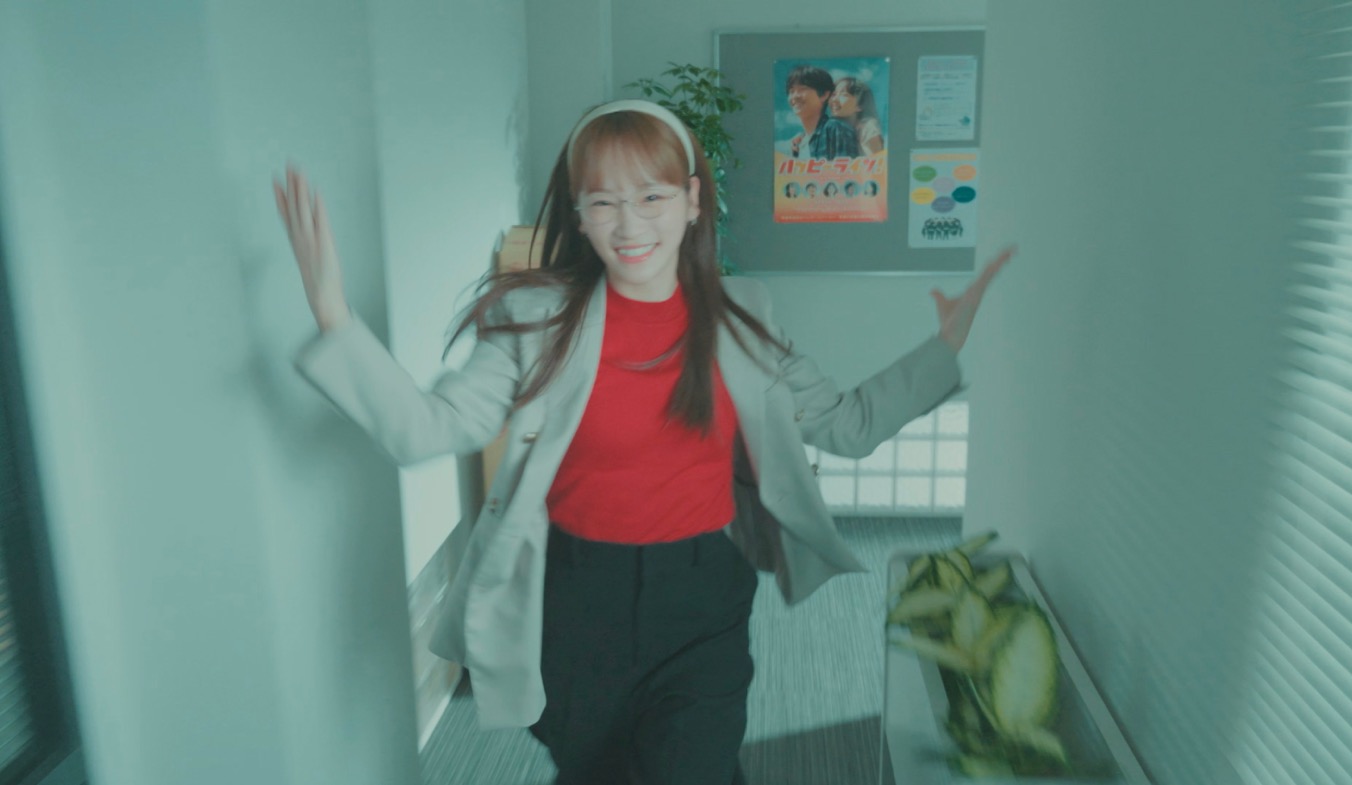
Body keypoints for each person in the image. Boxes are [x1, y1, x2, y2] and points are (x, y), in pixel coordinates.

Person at [274, 99, 1012, 785]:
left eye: (652, 197)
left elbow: (847, 425)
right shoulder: (536, 320)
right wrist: (335, 315)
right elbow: (427, 429)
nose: (629, 225)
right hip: (574, 601)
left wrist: (944, 346)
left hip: (702, 596)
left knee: (693, 764)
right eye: (604, 202)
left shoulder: (744, 314)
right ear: (580, 216)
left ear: (692, 200)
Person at [784, 65, 860, 161]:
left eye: (802, 89)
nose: (794, 96)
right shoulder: (798, 143)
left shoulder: (835, 128)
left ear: (824, 95)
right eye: (791, 91)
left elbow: (849, 168)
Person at [829, 77, 884, 157]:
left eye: (843, 95)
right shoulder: (834, 128)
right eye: (833, 94)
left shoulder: (868, 127)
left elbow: (879, 159)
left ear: (859, 105)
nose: (834, 100)